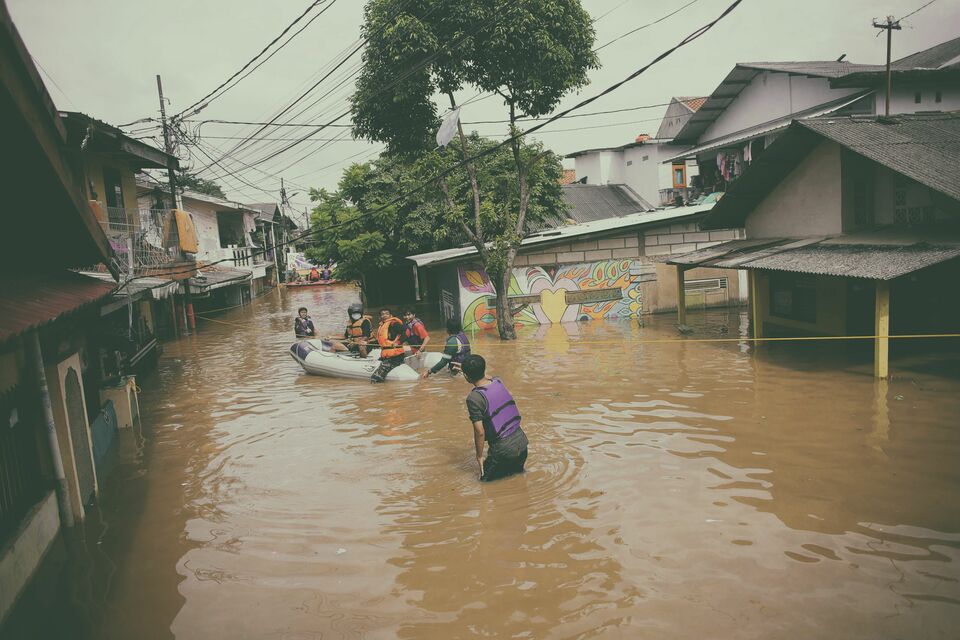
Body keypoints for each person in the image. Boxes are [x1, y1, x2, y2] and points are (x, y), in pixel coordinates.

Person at [461, 354, 528, 482]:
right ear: (484, 370)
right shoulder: (498, 381)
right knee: (518, 481)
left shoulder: (474, 398)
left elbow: (479, 432)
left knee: (484, 485)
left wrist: (479, 456)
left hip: (503, 451)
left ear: (466, 376)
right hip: (522, 444)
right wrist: (473, 370)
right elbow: (488, 377)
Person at [370, 308, 409, 383]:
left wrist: (399, 342)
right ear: (380, 317)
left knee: (375, 379)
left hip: (395, 356)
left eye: (386, 314)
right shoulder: (383, 326)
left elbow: (406, 332)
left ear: (391, 315)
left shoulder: (393, 324)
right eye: (382, 314)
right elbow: (382, 341)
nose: (384, 315)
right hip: (387, 356)